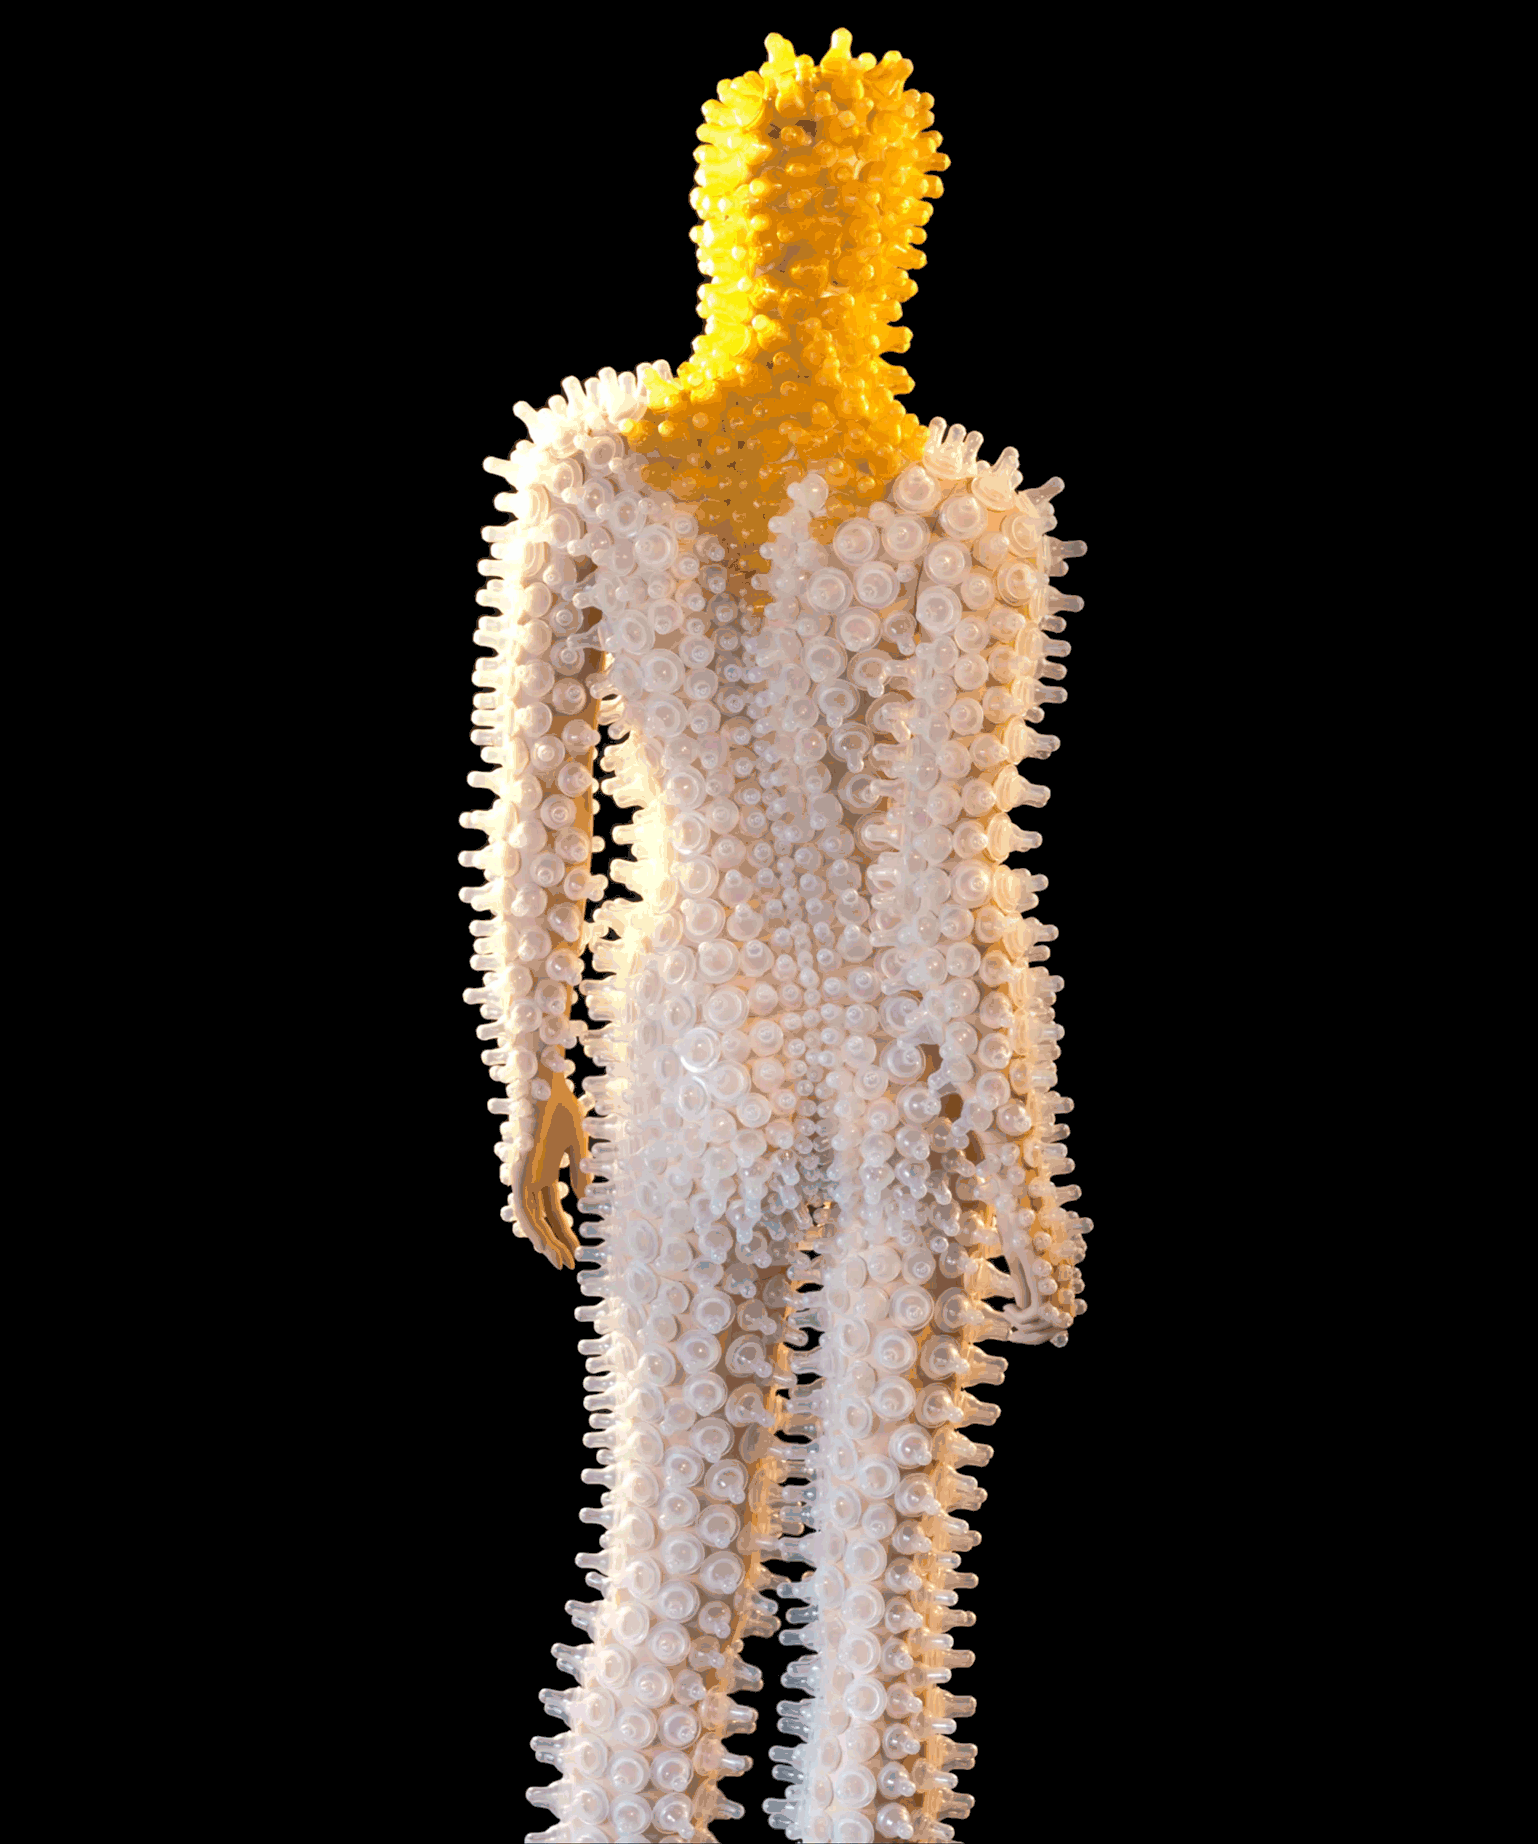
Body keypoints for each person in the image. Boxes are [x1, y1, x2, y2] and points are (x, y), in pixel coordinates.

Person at [461, 30, 1088, 1844]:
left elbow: (538, 811)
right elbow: (942, 891)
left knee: (669, 1557)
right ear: (896, 236)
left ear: (717, 222)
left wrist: (534, 1076)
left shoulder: (595, 474)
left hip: (694, 1047)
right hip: (887, 1064)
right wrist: (1027, 1172)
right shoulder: (956, 523)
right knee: (875, 1587)